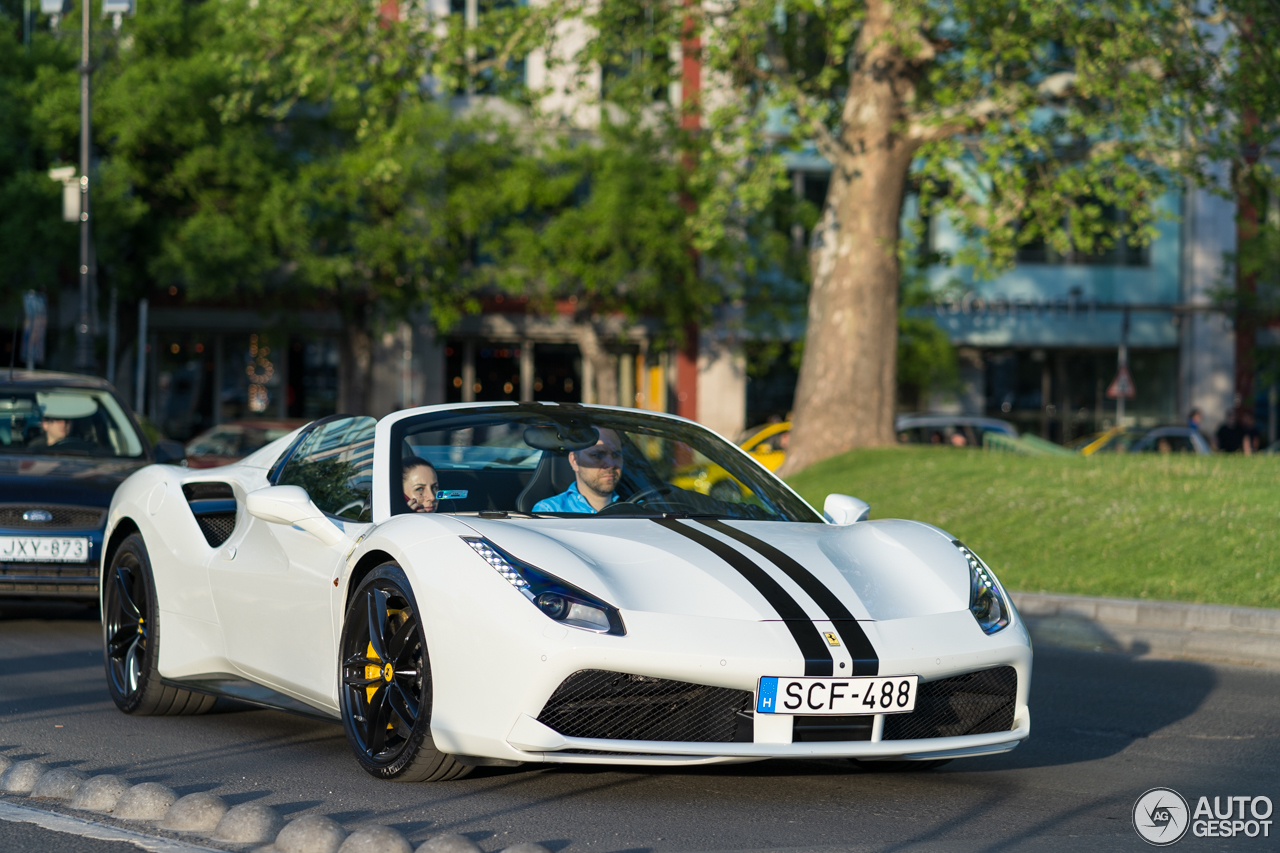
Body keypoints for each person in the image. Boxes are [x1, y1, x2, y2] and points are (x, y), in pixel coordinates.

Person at [533, 428, 623, 513]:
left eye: (616, 455)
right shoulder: (550, 511)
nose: (611, 464)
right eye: (597, 455)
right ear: (574, 460)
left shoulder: (634, 507)